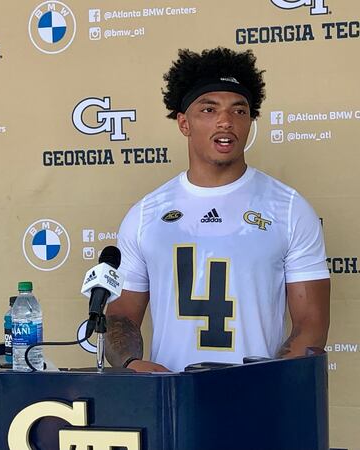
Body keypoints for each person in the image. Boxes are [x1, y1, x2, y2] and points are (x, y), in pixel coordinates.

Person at [105, 47, 330, 373]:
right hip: (173, 399)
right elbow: (121, 315)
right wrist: (132, 363)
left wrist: (272, 384)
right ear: (184, 123)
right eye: (208, 110)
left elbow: (310, 324)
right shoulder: (146, 215)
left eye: (239, 111)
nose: (226, 121)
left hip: (254, 399)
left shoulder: (290, 209)